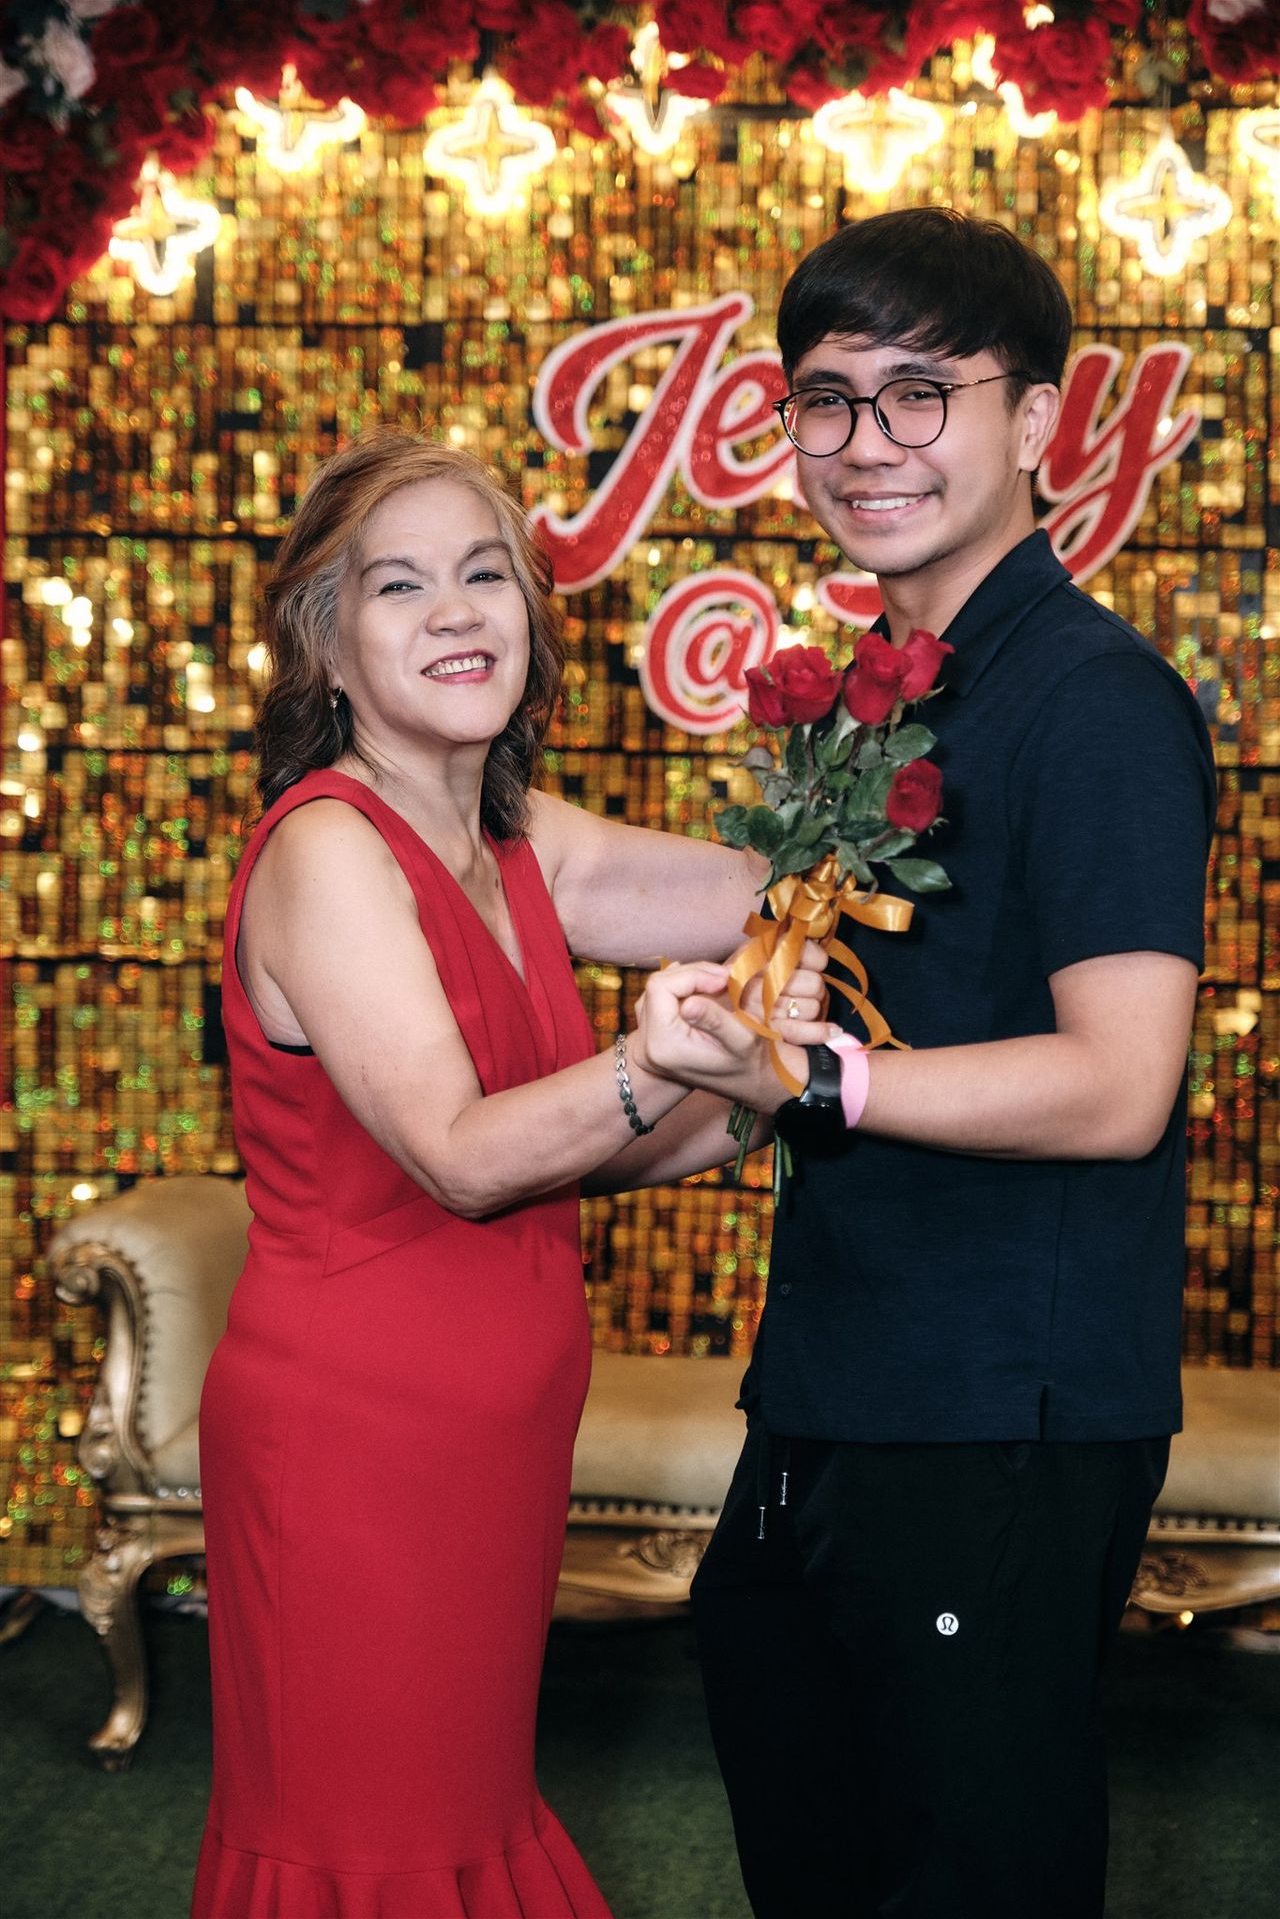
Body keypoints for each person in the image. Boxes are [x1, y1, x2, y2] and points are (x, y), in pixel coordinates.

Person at [637, 207, 1217, 1919]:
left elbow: (1121, 1084)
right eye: (828, 399)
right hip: (842, 1376)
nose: (866, 443)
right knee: (816, 1844)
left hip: (996, 1409)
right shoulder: (887, 703)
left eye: (919, 395)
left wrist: (818, 1086)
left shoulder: (1094, 700)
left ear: (1034, 421)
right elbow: (755, 953)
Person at [191, 431, 827, 1918]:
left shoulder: (522, 843)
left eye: (485, 575)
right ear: (326, 646)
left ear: (532, 618)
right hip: (354, 1446)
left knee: (459, 1815)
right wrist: (654, 1057)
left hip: (494, 1439)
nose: (456, 612)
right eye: (399, 585)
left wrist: (769, 1083)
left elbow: (784, 898)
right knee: (372, 1847)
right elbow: (465, 1157)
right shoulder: (327, 850)